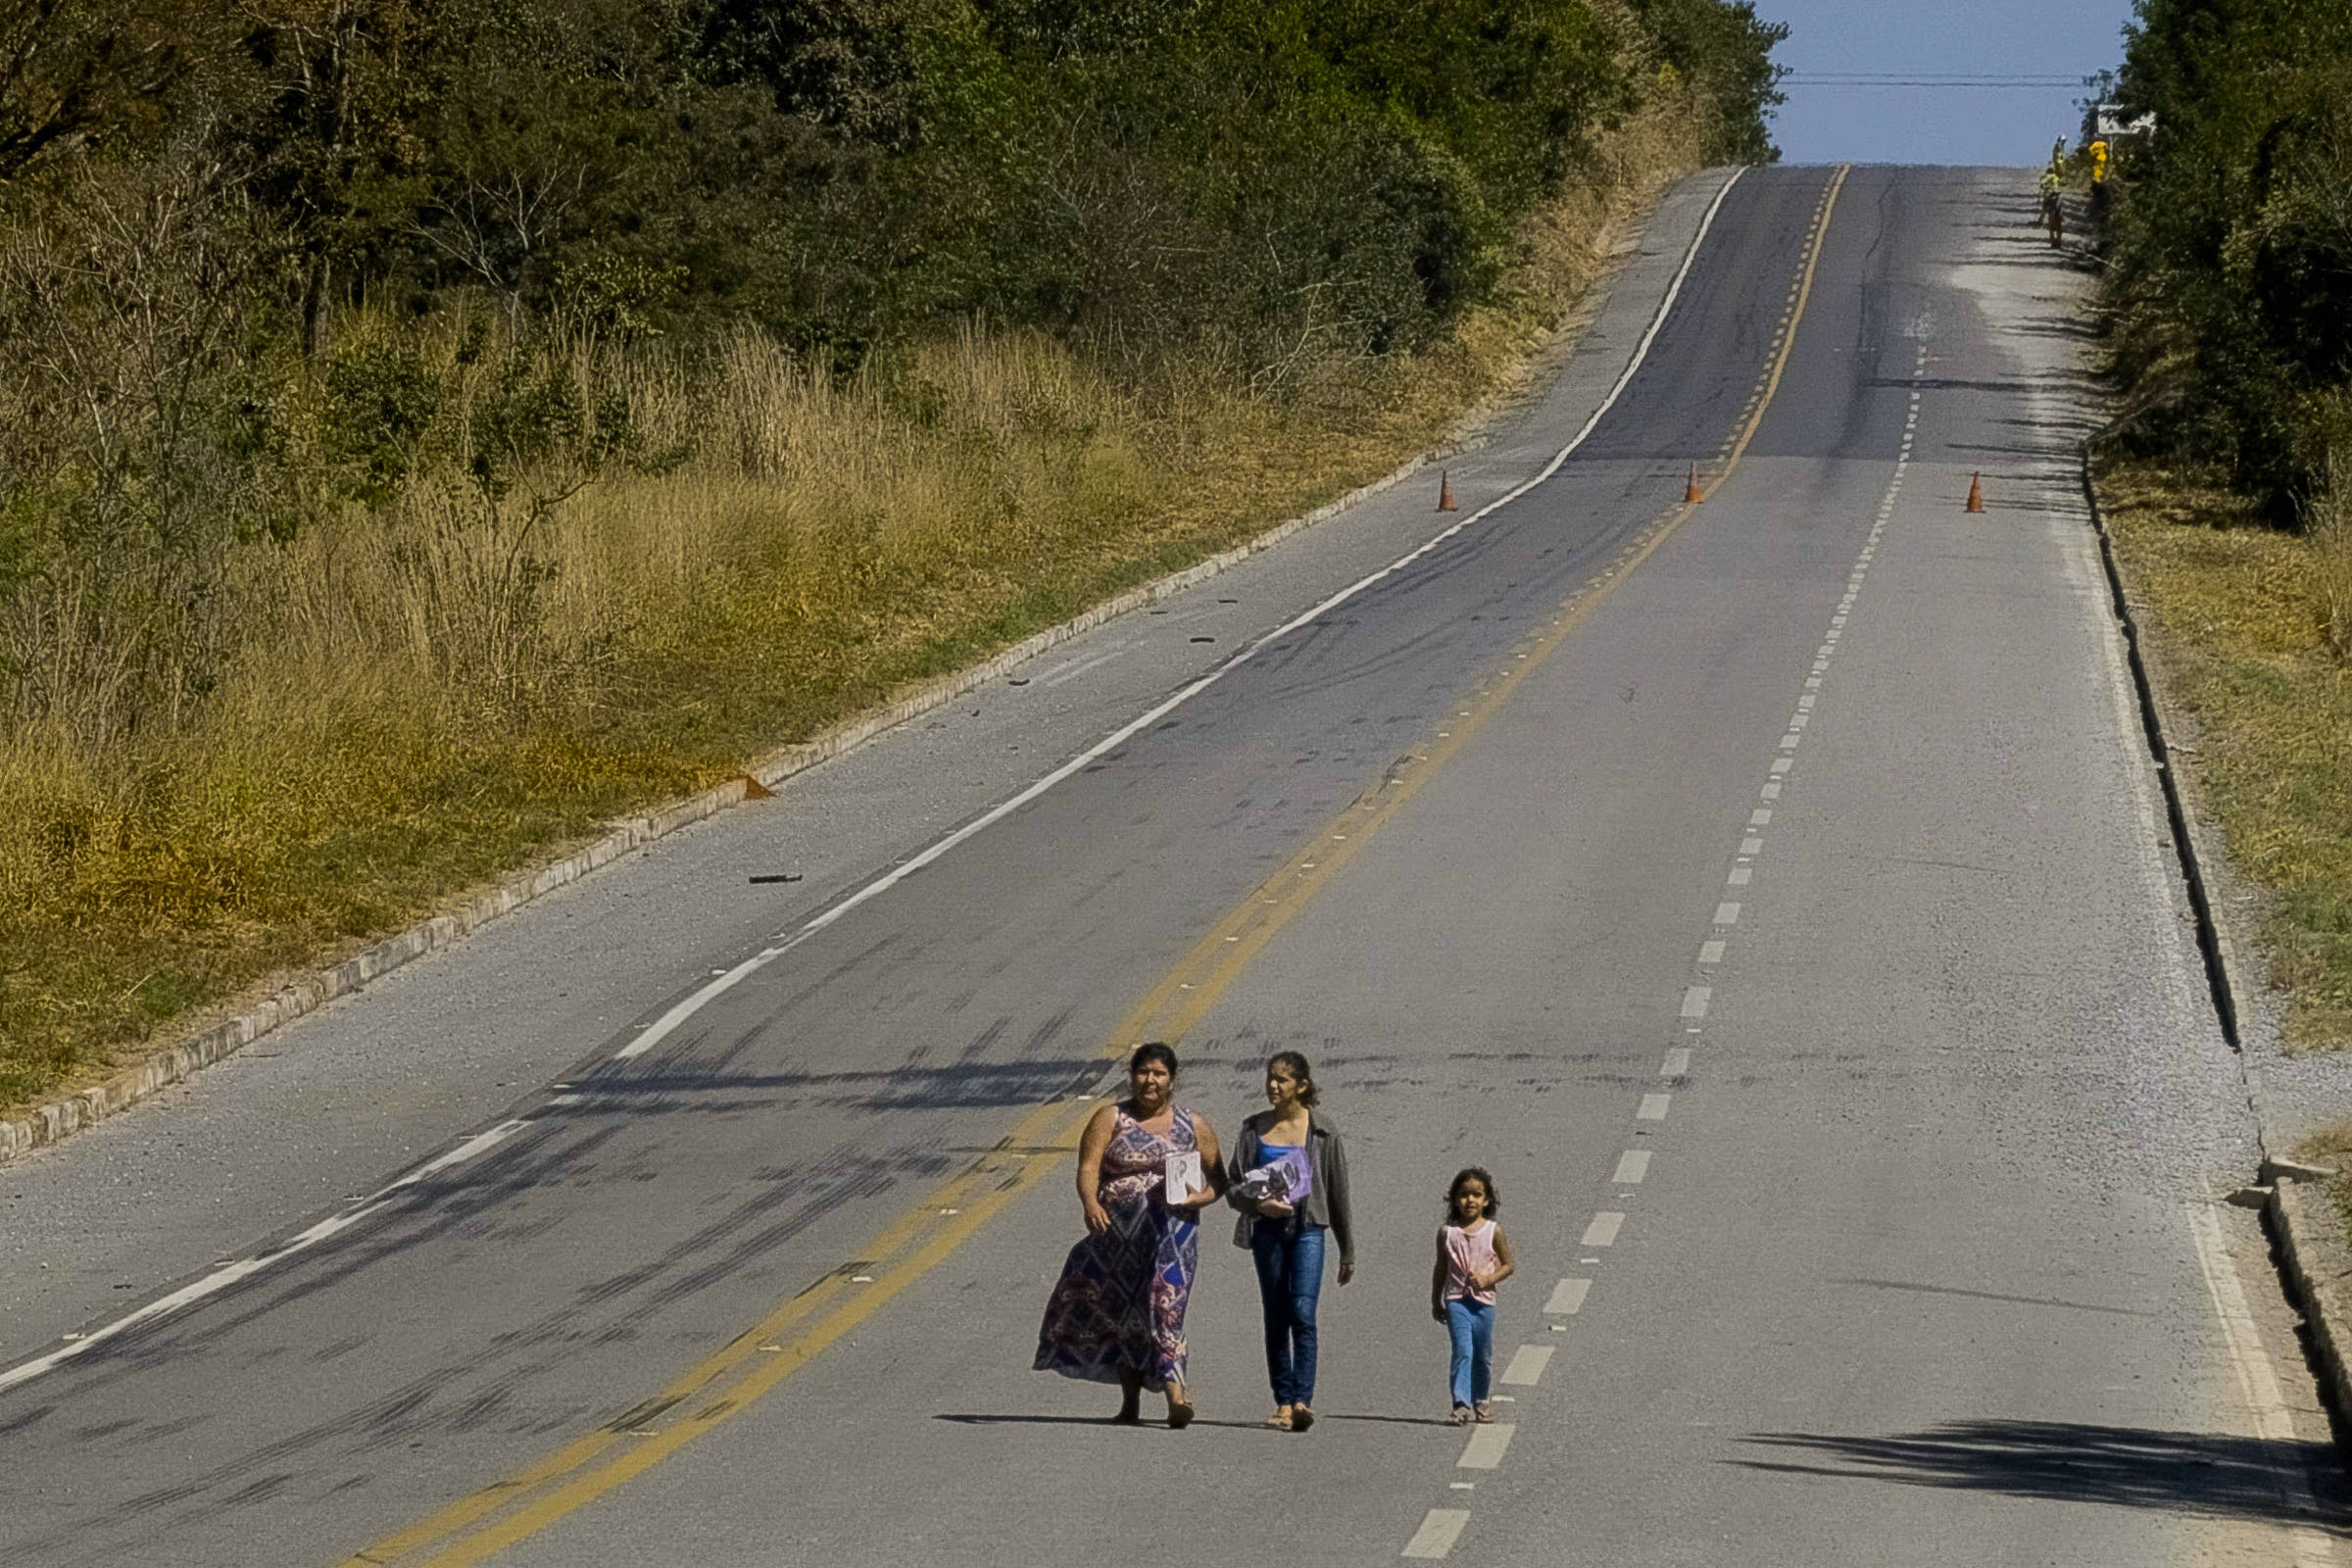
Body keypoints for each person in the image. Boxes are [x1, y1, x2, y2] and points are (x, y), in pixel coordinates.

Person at [1035, 1043, 1225, 1426]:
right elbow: (1088, 1167)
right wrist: (1090, 1203)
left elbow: (1220, 1180)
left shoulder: (1193, 1125)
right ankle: (1130, 1404)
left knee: (1166, 1306)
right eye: (1143, 1072)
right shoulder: (1111, 1118)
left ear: (1172, 1080)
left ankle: (1176, 1394)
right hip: (1118, 1239)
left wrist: (1199, 1198)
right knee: (1126, 1314)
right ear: (1132, 1076)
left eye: (1158, 1074)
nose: (1150, 1081)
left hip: (1174, 1235)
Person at [1224, 1051, 1354, 1432]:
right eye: (1270, 1078)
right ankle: (1282, 1401)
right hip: (1267, 1232)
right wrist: (1257, 1203)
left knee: (1302, 1312)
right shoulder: (1253, 1130)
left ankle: (1302, 1399)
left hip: (1309, 1229)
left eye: (1282, 1080)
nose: (1273, 1086)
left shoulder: (1322, 1132)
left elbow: (1338, 1192)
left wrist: (1348, 1249)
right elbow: (1233, 1187)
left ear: (1302, 1085)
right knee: (1276, 1314)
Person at [1430, 1167, 1514, 1426]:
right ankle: (1460, 1403)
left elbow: (1509, 1265)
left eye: (1477, 1195)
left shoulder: (1493, 1231)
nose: (1470, 1200)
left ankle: (1481, 1400)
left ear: (1486, 1200)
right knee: (1462, 1351)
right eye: (1464, 1195)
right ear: (1455, 1199)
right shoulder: (1448, 1233)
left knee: (1482, 1355)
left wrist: (1489, 1279)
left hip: (1484, 1304)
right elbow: (1441, 1267)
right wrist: (1437, 1299)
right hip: (1457, 1301)